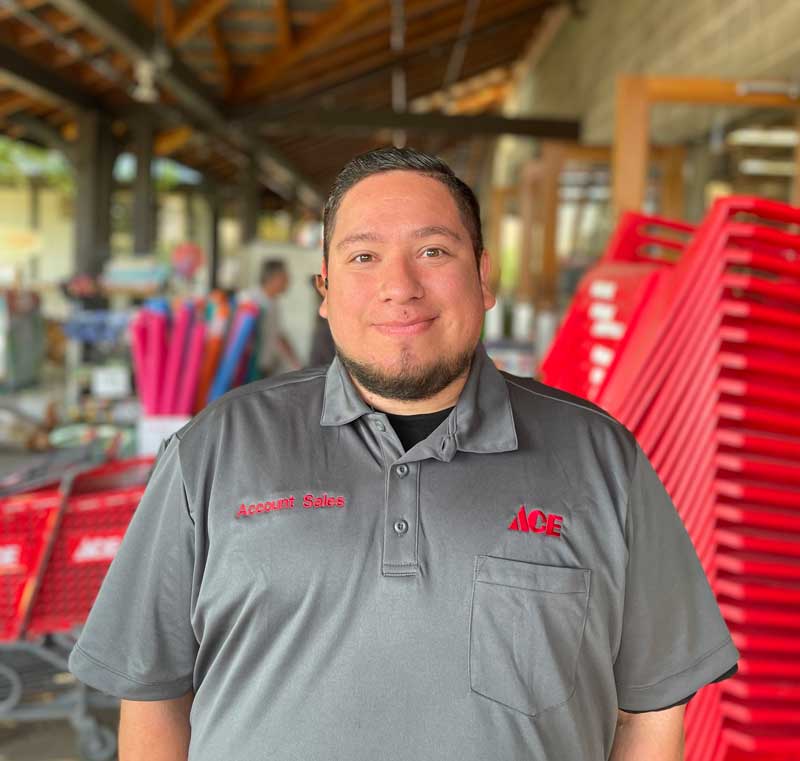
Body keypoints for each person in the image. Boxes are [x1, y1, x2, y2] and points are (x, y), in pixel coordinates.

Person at [69, 147, 738, 761]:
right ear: (325, 291)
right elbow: (152, 696)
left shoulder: (600, 459)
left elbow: (650, 710)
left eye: (433, 251)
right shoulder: (214, 450)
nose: (400, 286)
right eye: (363, 257)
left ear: (484, 277)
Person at [241, 258, 301, 376]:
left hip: (265, 368)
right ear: (275, 278)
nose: (288, 281)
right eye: (285, 277)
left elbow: (278, 335)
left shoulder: (274, 303)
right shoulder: (249, 300)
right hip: (247, 370)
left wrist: (296, 362)